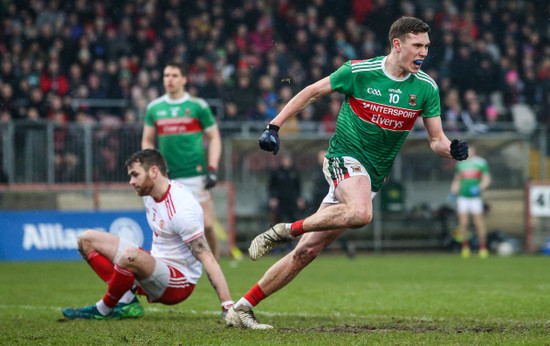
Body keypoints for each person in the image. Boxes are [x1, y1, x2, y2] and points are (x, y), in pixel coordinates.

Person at [224, 16, 469, 329]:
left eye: (426, 46)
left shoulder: (425, 88)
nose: (423, 52)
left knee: (308, 252)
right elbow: (312, 91)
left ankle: (241, 308)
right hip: (344, 157)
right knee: (360, 213)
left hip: (372, 176)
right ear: (397, 45)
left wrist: (452, 149)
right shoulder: (358, 71)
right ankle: (284, 229)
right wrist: (274, 125)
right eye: (417, 45)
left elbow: (436, 140)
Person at [63, 149, 233, 320]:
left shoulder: (182, 208)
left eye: (135, 175)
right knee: (86, 239)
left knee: (129, 256)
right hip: (156, 267)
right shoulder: (149, 195)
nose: (131, 182)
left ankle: (103, 309)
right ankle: (127, 303)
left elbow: (208, 258)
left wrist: (228, 306)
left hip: (179, 283)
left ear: (153, 172)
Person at [142, 61, 223, 260]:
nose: (169, 79)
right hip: (167, 178)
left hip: (195, 175)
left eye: (174, 75)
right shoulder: (154, 108)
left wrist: (212, 168)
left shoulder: (198, 106)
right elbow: (147, 139)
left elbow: (214, 138)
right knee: (169, 228)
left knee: (208, 225)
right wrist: (151, 168)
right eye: (166, 75)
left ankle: (215, 265)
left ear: (184, 79)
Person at [448, 145, 491, 258]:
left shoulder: (481, 163)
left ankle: (482, 248)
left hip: (475, 198)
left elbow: (486, 179)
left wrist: (479, 188)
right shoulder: (460, 163)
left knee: (478, 223)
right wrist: (453, 192)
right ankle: (465, 247)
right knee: (463, 224)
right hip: (463, 198)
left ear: (474, 151)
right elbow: (457, 180)